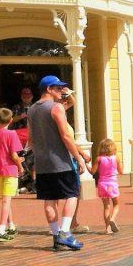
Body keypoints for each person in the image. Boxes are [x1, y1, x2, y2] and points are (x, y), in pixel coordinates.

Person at [27, 75, 90, 251]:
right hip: (60, 161)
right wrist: (78, 156)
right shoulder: (55, 108)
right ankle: (64, 232)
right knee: (72, 194)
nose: (60, 91)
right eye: (58, 88)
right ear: (48, 89)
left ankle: (56, 236)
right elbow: (65, 135)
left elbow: (31, 139)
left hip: (42, 163)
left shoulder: (31, 110)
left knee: (49, 199)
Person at [0, 107, 24, 243]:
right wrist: (20, 165)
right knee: (7, 200)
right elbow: (14, 155)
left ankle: (11, 225)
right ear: (11, 120)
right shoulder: (11, 134)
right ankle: (1, 230)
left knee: (6, 200)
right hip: (10, 170)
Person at [60, 90, 90, 236]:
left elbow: (72, 102)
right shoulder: (57, 116)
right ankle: (68, 225)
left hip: (69, 157)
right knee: (73, 191)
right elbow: (68, 141)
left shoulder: (60, 113)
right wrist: (81, 155)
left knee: (72, 192)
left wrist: (68, 93)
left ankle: (71, 222)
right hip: (66, 158)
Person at [91, 138, 122, 233]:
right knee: (116, 204)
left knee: (106, 206)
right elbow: (121, 171)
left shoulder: (99, 159)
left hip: (102, 184)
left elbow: (93, 172)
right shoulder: (116, 158)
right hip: (112, 183)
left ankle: (107, 229)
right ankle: (112, 218)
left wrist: (88, 166)